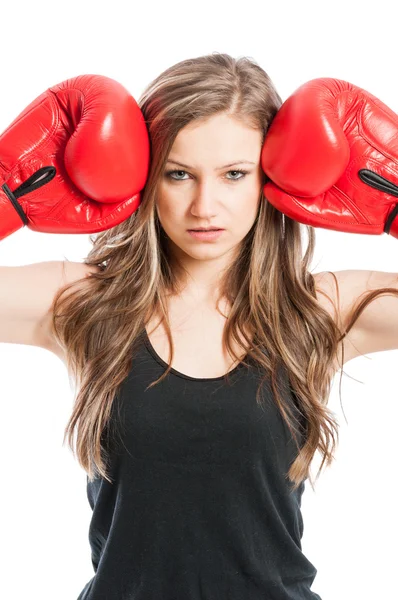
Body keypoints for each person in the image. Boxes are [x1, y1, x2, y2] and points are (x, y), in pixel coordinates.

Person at [2, 53, 398, 599]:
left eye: (235, 174)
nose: (204, 206)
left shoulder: (321, 310)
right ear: (144, 174)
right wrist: (8, 195)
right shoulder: (83, 302)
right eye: (179, 174)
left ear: (272, 178)